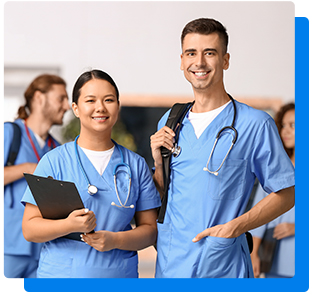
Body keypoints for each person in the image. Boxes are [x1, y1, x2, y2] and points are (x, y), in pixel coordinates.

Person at [150, 18, 295, 278]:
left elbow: (288, 192)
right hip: (171, 264)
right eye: (191, 53)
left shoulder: (254, 124)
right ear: (182, 60)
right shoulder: (171, 120)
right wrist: (159, 161)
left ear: (225, 60)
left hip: (222, 264)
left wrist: (235, 228)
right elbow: (166, 192)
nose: (200, 62)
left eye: (210, 53)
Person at [21, 69, 161, 278]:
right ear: (76, 108)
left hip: (118, 280)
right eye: (90, 100)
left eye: (109, 100)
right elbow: (30, 229)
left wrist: (115, 240)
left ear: (118, 106)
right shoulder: (54, 161)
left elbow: (150, 231)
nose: (100, 108)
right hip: (61, 280)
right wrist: (68, 225)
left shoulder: (135, 165)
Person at [4, 74, 69, 278]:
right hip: (9, 246)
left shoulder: (57, 149)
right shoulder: (9, 133)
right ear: (40, 98)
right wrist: (30, 168)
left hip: (44, 250)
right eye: (61, 98)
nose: (67, 106)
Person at [250, 103, 295, 278]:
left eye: (293, 125)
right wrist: (254, 254)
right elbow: (259, 210)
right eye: (283, 125)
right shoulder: (275, 167)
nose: (285, 131)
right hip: (273, 259)